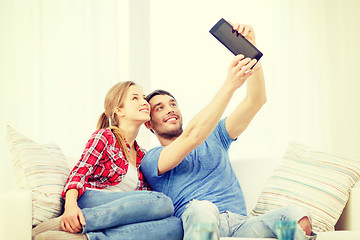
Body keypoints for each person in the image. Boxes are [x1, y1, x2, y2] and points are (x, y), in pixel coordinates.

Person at [141, 23, 316, 240]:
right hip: (203, 225)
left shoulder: (216, 136)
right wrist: (230, 84)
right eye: (160, 108)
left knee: (296, 217)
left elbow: (256, 100)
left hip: (243, 227)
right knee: (201, 209)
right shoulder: (152, 159)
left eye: (173, 104)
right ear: (149, 124)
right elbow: (192, 136)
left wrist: (252, 53)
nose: (170, 110)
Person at [32, 81, 183, 240]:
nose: (144, 102)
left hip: (116, 210)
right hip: (91, 199)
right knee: (162, 202)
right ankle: (75, 221)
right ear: (119, 110)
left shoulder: (142, 156)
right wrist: (70, 207)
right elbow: (78, 174)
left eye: (144, 98)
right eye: (135, 98)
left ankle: (85, 238)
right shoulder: (105, 136)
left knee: (175, 225)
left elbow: (141, 203)